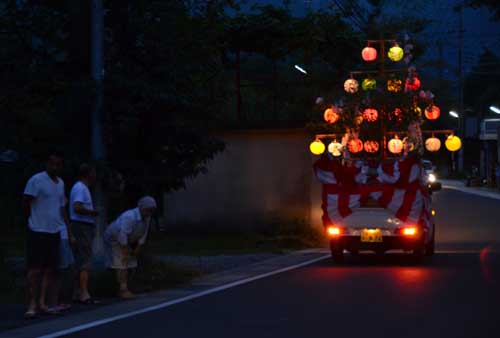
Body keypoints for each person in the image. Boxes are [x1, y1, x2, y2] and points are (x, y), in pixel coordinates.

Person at [23, 152, 72, 318]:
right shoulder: (36, 180)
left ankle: (42, 302)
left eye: (58, 164)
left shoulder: (60, 183)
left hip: (55, 230)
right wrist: (29, 222)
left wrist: (67, 228)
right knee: (34, 269)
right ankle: (32, 303)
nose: (55, 167)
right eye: (52, 164)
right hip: (37, 229)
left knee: (50, 269)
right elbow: (26, 202)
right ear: (47, 164)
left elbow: (62, 207)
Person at [104, 196, 156, 299]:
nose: (150, 213)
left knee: (132, 262)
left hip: (129, 239)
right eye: (148, 210)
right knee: (122, 263)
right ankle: (123, 290)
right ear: (142, 208)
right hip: (115, 237)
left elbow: (143, 235)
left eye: (152, 210)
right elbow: (122, 235)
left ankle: (128, 286)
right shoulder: (129, 216)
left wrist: (137, 249)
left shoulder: (147, 217)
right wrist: (125, 252)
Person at [69, 164, 99, 304]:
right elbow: (77, 207)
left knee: (79, 259)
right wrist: (92, 212)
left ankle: (76, 291)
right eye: (93, 172)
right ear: (89, 174)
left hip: (79, 225)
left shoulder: (79, 187)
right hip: (82, 225)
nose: (95, 176)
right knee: (85, 258)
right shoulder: (81, 188)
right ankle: (84, 293)